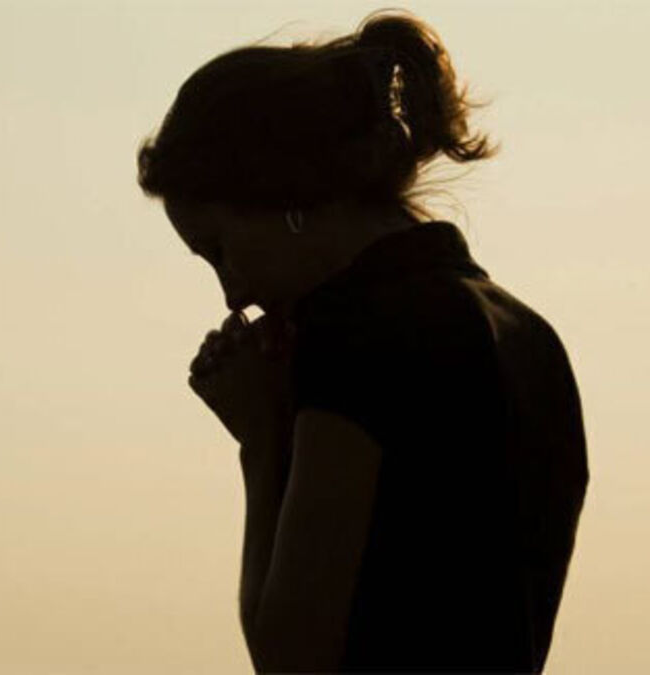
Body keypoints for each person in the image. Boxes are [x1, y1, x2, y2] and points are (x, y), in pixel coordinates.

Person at [135, 9, 589, 673]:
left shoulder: (360, 337)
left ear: (284, 195)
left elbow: (292, 657)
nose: (233, 296)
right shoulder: (531, 338)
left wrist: (261, 440)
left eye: (221, 250)